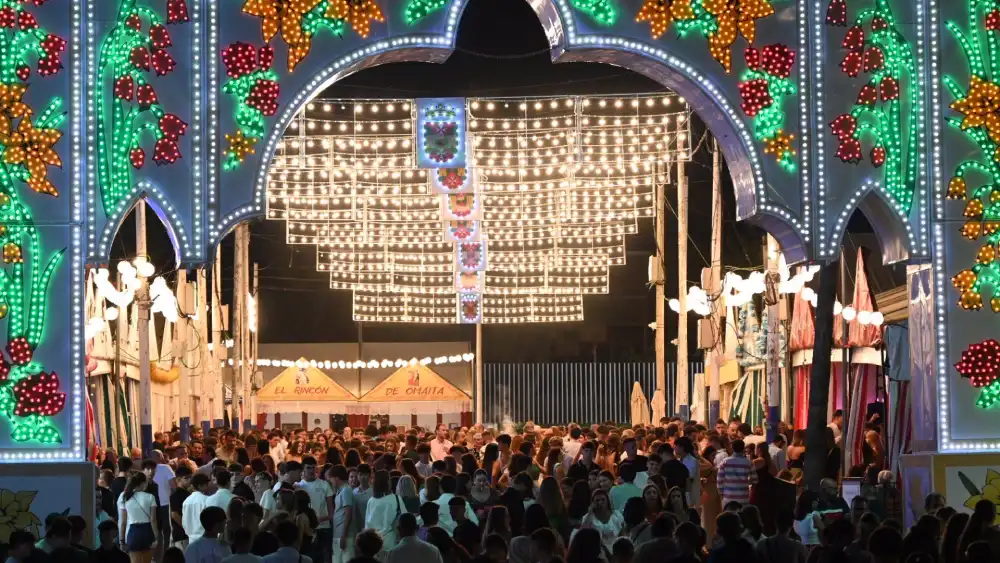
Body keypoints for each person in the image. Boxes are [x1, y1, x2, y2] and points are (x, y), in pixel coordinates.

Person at [297, 455, 334, 563]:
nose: (311, 470)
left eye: (313, 467)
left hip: (323, 528)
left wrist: (321, 519)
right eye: (308, 467)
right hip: (307, 529)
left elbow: (331, 511)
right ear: (303, 469)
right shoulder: (299, 486)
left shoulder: (324, 485)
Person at [118, 472, 159, 563]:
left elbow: (123, 522)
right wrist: (157, 537)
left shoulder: (125, 497)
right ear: (143, 483)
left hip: (133, 532)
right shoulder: (150, 497)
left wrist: (122, 541)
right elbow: (153, 520)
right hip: (147, 531)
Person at [365, 470, 403, 553]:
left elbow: (367, 523)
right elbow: (404, 517)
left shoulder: (371, 501)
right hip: (390, 540)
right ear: (387, 482)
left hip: (373, 542)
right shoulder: (395, 498)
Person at [717, 440, 756, 509]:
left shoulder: (725, 461)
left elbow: (719, 480)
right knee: (742, 517)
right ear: (743, 448)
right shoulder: (749, 462)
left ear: (732, 448)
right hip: (743, 496)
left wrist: (721, 493)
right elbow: (755, 480)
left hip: (728, 496)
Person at [328, 465, 354, 563]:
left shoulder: (346, 490)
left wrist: (344, 535)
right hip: (337, 534)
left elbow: (348, 513)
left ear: (337, 478)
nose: (331, 481)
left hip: (344, 535)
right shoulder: (340, 491)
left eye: (331, 478)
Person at [183, 473, 215, 542]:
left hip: (191, 539)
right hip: (205, 538)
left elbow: (184, 522)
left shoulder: (186, 501)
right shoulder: (207, 500)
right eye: (206, 484)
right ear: (200, 486)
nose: (208, 486)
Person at [170, 465, 193, 550]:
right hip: (181, 535)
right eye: (186, 478)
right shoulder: (175, 495)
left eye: (191, 477)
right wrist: (187, 528)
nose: (190, 480)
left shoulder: (188, 494)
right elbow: (175, 515)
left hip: (188, 535)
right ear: (178, 479)